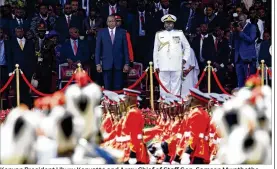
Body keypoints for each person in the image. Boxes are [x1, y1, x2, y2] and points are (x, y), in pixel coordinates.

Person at [153, 14, 191, 96]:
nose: (169, 24)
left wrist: (184, 59)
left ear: (173, 24)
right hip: (163, 64)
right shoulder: (159, 34)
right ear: (164, 24)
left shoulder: (179, 33)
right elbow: (155, 51)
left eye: (170, 23)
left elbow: (187, 47)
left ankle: (175, 105)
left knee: (175, 86)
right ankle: (164, 105)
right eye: (167, 23)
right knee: (164, 86)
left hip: (176, 64)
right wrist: (156, 65)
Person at [95, 15, 129, 91]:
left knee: (118, 87)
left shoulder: (122, 32)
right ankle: (108, 102)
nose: (111, 23)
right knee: (107, 88)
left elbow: (125, 49)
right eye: (109, 21)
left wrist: (127, 63)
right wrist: (97, 64)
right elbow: (98, 49)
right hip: (106, 64)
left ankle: (117, 103)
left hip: (119, 64)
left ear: (116, 22)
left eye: (113, 21)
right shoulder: (101, 32)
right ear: (107, 23)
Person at [7, 27, 36, 108]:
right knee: (17, 89)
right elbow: (9, 57)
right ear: (15, 32)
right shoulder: (11, 43)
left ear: (23, 32)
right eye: (17, 31)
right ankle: (17, 106)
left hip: (28, 70)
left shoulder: (30, 42)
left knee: (26, 89)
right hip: (15, 71)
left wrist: (33, 70)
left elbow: (33, 57)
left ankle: (26, 106)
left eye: (20, 31)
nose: (19, 33)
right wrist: (10, 71)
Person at [233, 14, 257, 87]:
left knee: (249, 80)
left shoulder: (252, 27)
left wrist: (241, 32)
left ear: (246, 19)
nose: (240, 22)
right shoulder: (237, 29)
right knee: (240, 79)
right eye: (239, 20)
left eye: (241, 20)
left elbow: (251, 40)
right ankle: (241, 96)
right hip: (238, 58)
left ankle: (250, 97)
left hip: (248, 57)